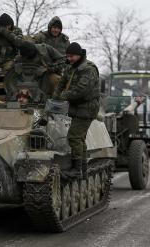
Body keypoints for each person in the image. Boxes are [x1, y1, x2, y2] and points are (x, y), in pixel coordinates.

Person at [53, 42, 100, 179]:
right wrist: (55, 97)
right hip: (77, 107)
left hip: (87, 107)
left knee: (73, 137)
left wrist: (63, 96)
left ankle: (76, 170)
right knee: (80, 139)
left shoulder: (88, 69)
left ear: (79, 55)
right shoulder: (71, 67)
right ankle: (83, 170)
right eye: (67, 56)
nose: (69, 59)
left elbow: (81, 90)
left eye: (72, 56)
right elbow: (61, 83)